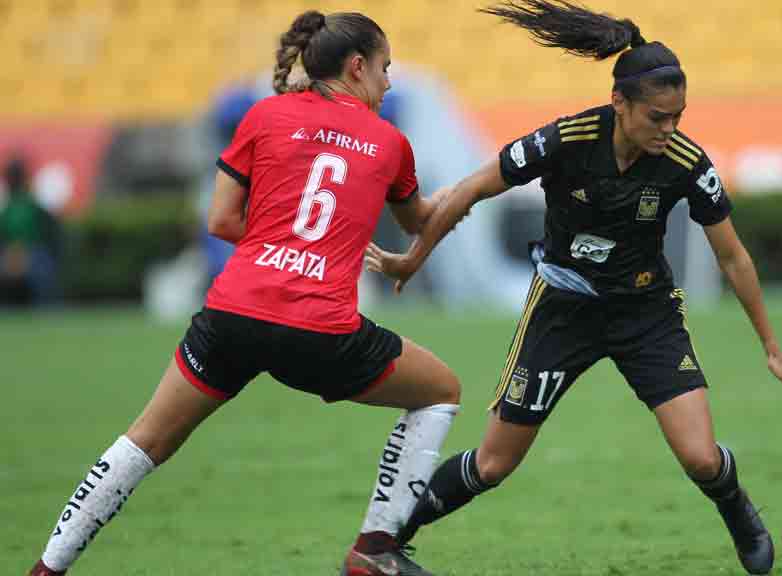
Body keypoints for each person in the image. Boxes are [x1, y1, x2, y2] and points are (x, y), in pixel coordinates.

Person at [364, 1, 782, 574]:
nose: (669, 129)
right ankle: (388, 540)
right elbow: (471, 188)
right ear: (619, 103)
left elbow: (733, 256)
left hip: (645, 312)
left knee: (700, 457)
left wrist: (770, 345)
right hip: (563, 309)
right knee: (494, 464)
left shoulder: (686, 162)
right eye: (657, 117)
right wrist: (412, 259)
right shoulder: (566, 140)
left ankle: (738, 511)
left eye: (678, 116)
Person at [28, 10, 459, 576]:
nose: (389, 82)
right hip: (320, 330)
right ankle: (374, 550)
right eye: (384, 69)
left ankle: (45, 570)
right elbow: (417, 220)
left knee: (144, 441)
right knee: (439, 390)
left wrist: (276, 247)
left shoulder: (264, 114)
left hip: (234, 311)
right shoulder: (389, 142)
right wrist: (467, 195)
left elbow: (221, 220)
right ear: (356, 68)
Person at [0, 154, 61, 306]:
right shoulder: (8, 207)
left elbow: (50, 236)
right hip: (10, 254)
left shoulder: (33, 205)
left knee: (41, 267)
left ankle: (44, 306)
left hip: (33, 254)